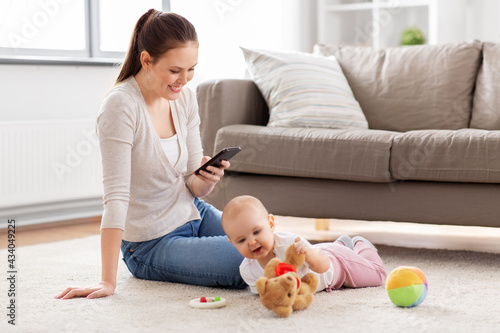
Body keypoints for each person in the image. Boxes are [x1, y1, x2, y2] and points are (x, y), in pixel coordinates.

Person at [56, 10, 246, 300]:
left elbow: (194, 187)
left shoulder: (185, 99)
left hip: (194, 213)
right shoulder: (121, 106)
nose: (184, 80)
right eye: (174, 71)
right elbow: (116, 198)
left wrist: (208, 178)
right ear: (146, 60)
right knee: (245, 258)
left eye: (191, 69)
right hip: (150, 242)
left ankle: (337, 256)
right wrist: (107, 281)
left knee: (265, 236)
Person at [221, 195, 387, 293]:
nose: (251, 242)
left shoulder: (290, 244)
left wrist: (310, 254)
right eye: (241, 240)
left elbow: (322, 267)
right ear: (232, 242)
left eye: (257, 232)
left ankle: (360, 244)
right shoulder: (247, 270)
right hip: (323, 251)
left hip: (337, 264)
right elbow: (269, 295)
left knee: (378, 275)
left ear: (271, 224)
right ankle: (342, 243)